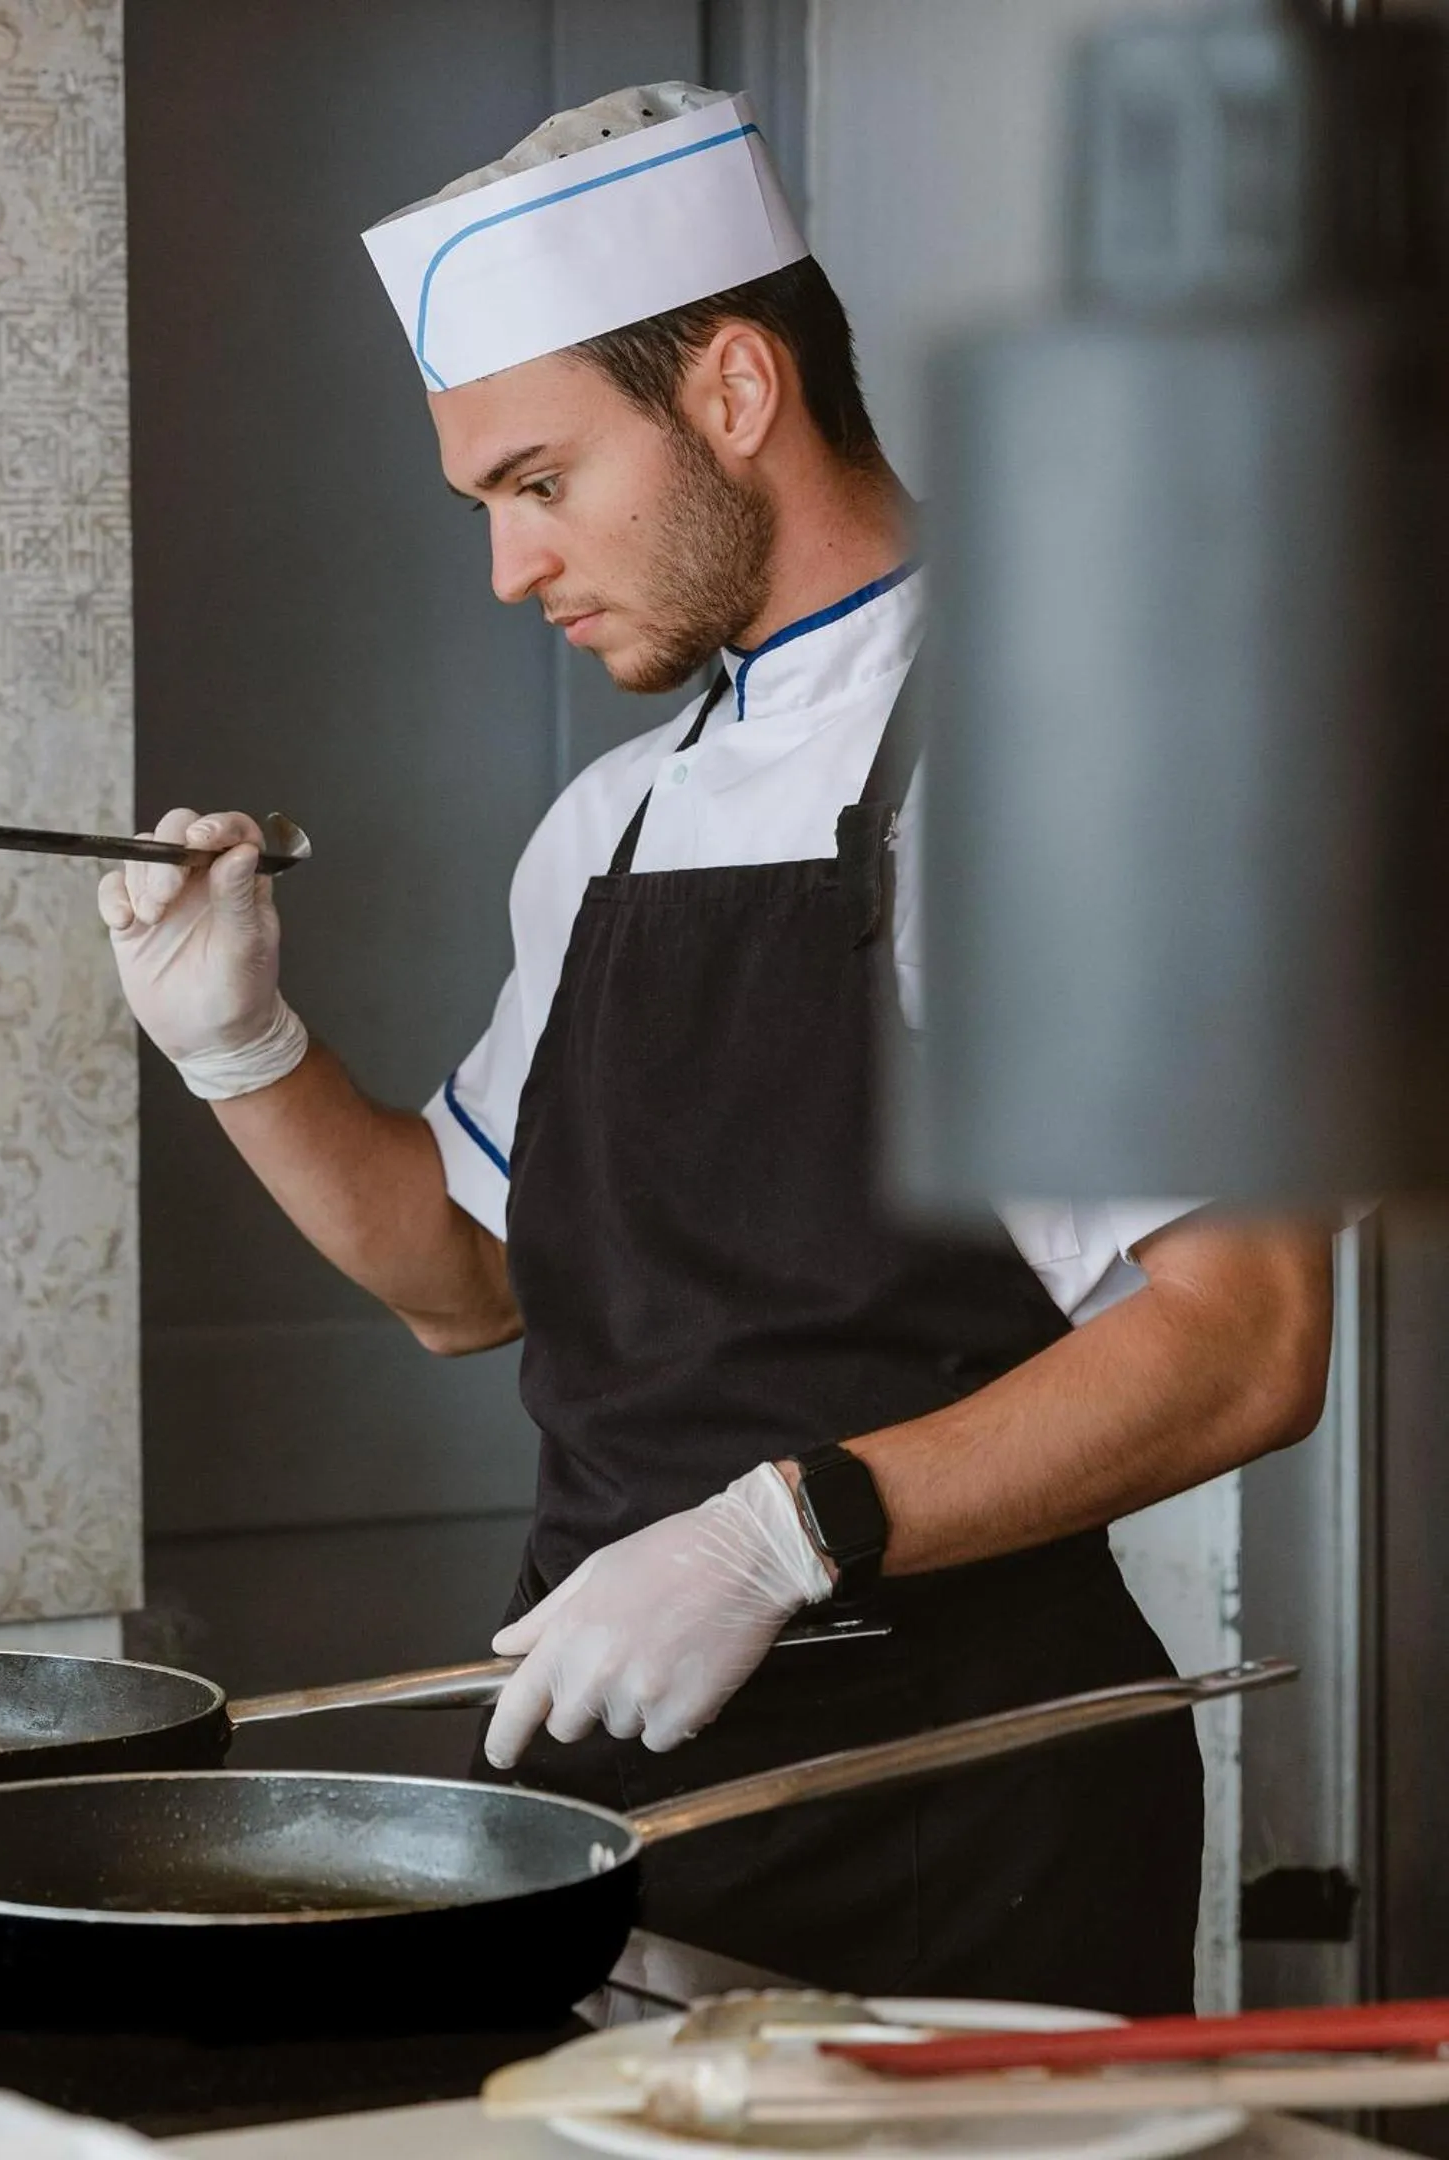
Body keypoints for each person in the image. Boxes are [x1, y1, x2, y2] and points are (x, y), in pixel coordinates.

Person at [98, 84, 1331, 2013]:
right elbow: (465, 1276)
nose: (512, 570)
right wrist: (241, 1048)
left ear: (734, 392)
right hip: (617, 1794)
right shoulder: (616, 825)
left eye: (539, 482)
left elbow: (1247, 1333)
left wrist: (788, 1530)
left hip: (958, 1813)